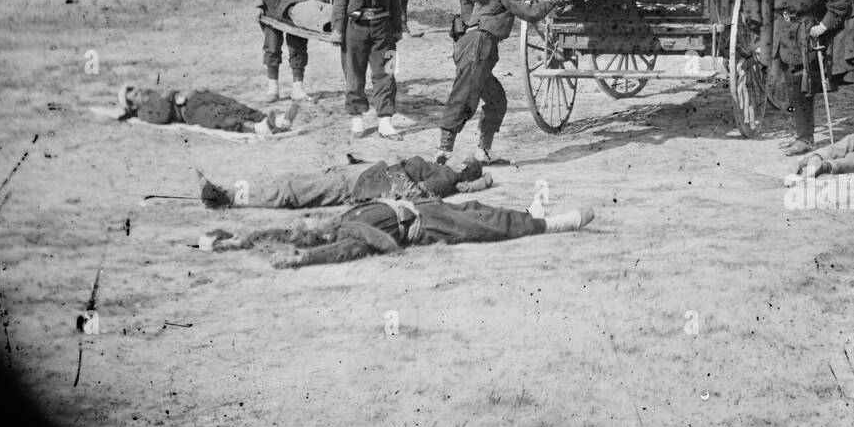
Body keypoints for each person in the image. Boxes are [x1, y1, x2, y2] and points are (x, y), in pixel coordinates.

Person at [707, 0, 852, 156]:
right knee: (793, 89)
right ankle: (800, 135)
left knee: (802, 89)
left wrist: (824, 27)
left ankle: (805, 139)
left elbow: (842, 1)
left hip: (805, 37)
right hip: (785, 36)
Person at [437, 0, 593, 164]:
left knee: (497, 100)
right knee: (463, 96)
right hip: (478, 47)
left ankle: (484, 151)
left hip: (474, 46)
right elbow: (531, 13)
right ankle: (444, 152)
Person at [202, 194, 596, 267]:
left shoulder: (341, 219)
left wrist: (241, 240)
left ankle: (528, 213)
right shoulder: (348, 235)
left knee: (477, 209)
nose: (312, 222)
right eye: (312, 229)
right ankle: (553, 224)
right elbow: (348, 251)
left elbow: (287, 231)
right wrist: (303, 259)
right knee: (488, 226)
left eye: (311, 222)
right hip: (428, 226)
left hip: (421, 206)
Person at [194, 153, 492, 210]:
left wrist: (474, 183)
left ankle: (225, 198)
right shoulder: (442, 170)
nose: (454, 158)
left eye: (460, 159)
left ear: (463, 167)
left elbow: (413, 196)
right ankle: (226, 191)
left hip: (358, 185)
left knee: (291, 191)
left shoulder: (444, 179)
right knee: (290, 181)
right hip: (361, 174)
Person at [330, 0, 403, 139]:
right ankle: (357, 118)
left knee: (387, 73)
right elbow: (340, 0)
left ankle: (385, 121)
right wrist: (338, 29)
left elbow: (395, 0)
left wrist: (397, 28)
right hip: (356, 27)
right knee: (354, 73)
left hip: (383, 28)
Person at [117, 85, 298, 137]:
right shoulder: (143, 113)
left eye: (134, 88)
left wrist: (188, 91)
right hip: (187, 112)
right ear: (132, 105)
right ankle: (259, 128)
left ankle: (276, 121)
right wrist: (169, 95)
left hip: (193, 97)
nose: (137, 91)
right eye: (132, 94)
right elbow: (163, 117)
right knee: (220, 114)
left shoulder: (151, 92)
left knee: (232, 105)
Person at [254, 0, 332, 34]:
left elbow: (323, 2)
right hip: (299, 8)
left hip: (316, 3)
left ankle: (339, 22)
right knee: (312, 15)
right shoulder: (282, 3)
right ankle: (330, 26)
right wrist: (259, 6)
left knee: (331, 9)